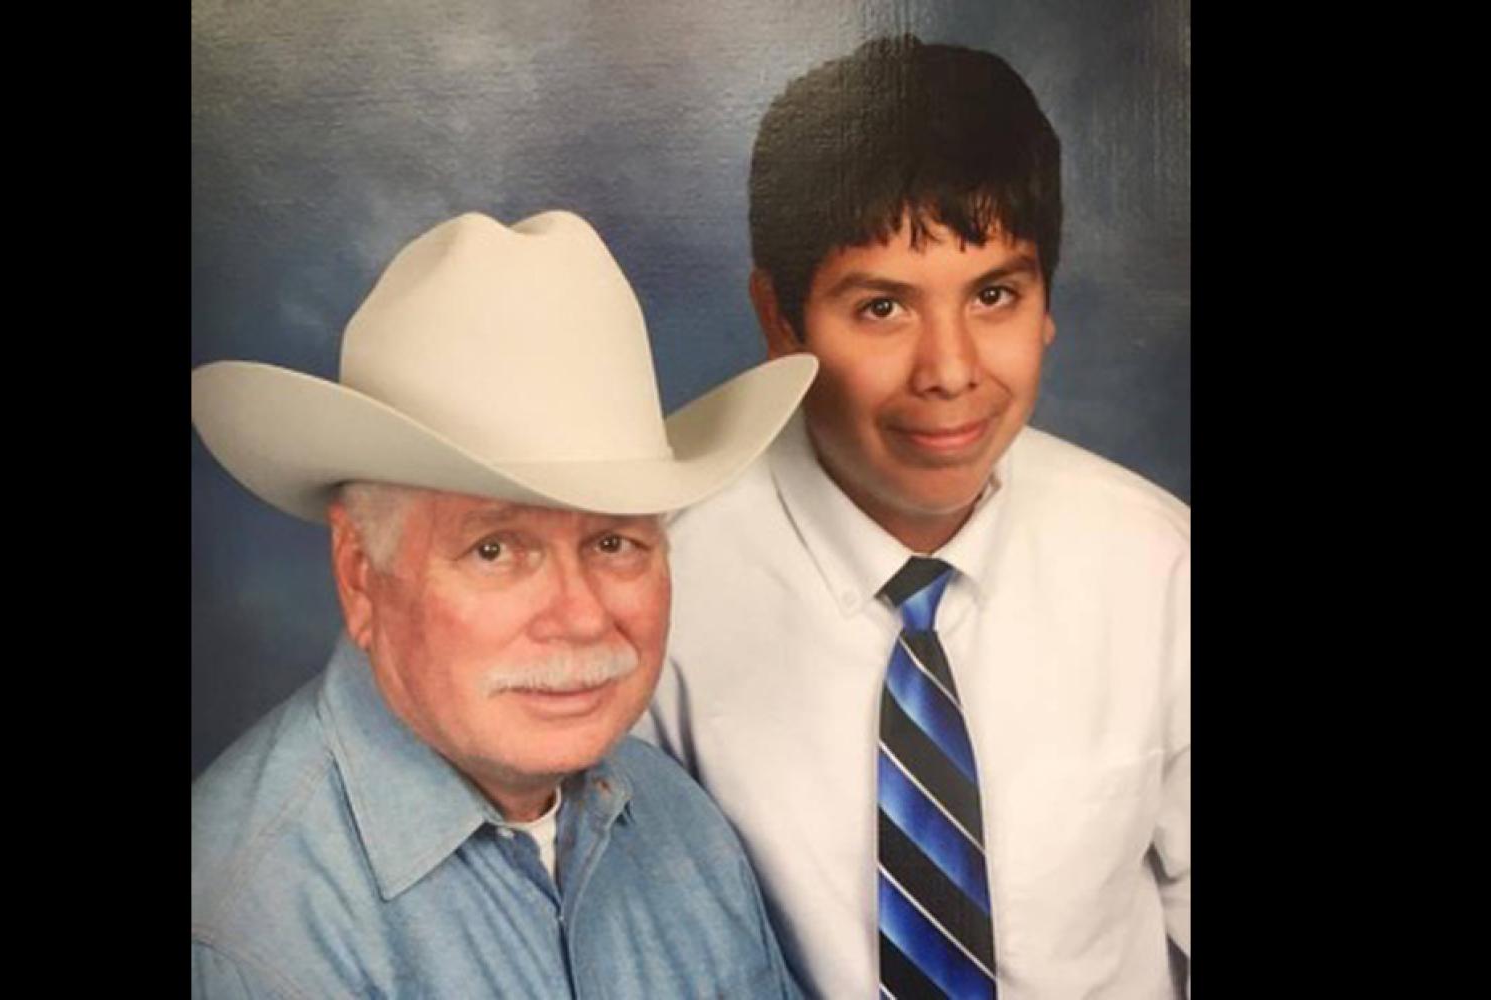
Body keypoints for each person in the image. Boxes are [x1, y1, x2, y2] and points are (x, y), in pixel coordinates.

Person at [641, 36, 1191, 998]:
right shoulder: (661, 588)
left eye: (994, 295)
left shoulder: (1156, 565)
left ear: (1046, 303)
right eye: (884, 308)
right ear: (780, 322)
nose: (950, 370)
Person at [189, 209, 816, 997]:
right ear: (358, 575)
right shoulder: (251, 932)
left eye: (614, 542)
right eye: (495, 550)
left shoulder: (678, 821)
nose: (581, 616)